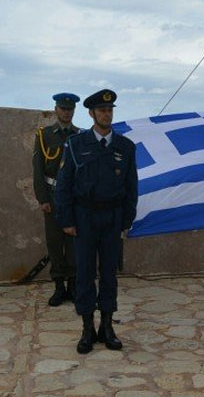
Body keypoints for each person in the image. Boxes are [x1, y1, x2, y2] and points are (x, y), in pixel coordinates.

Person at [54, 88, 138, 354]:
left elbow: (131, 186)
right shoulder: (76, 145)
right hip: (84, 217)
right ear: (91, 114)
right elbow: (63, 185)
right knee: (85, 274)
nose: (106, 114)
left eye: (110, 110)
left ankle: (108, 327)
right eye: (101, 110)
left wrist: (127, 218)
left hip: (112, 218)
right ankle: (87, 328)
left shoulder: (125, 147)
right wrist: (66, 218)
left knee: (110, 274)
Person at [32, 92, 80, 306]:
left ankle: (73, 285)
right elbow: (38, 170)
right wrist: (42, 199)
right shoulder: (44, 135)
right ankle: (59, 287)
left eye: (70, 110)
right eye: (63, 109)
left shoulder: (80, 136)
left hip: (73, 197)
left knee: (73, 243)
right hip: (52, 196)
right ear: (56, 110)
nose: (66, 112)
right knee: (54, 242)